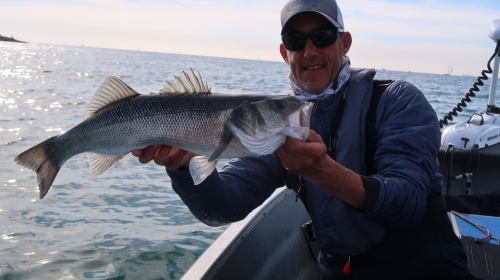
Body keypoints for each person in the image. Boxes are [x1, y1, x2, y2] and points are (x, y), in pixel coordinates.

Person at [132, 0, 473, 279]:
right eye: (296, 42)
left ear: (345, 42)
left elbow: (409, 201)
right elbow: (223, 206)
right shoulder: (274, 121)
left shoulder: (399, 101)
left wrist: (322, 170)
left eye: (322, 37)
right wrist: (184, 166)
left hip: (424, 267)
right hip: (339, 269)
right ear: (284, 52)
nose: (309, 51)